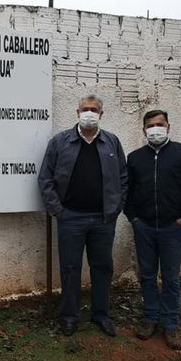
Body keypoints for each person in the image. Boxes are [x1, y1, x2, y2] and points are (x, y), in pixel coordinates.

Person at [38, 95, 127, 337]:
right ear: (77, 112)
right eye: (85, 109)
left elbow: (123, 178)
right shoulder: (60, 142)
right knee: (70, 268)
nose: (90, 113)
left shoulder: (112, 142)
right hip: (71, 218)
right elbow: (45, 179)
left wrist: (116, 207)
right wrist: (58, 210)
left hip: (103, 219)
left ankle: (101, 315)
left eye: (94, 109)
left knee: (102, 268)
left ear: (102, 113)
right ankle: (69, 316)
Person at [125, 110, 181, 349]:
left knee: (170, 278)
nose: (155, 129)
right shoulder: (135, 158)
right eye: (150, 125)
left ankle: (170, 325)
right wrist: (134, 219)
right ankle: (151, 318)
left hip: (173, 228)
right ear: (143, 130)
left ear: (168, 126)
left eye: (160, 124)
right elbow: (127, 193)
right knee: (147, 275)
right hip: (144, 228)